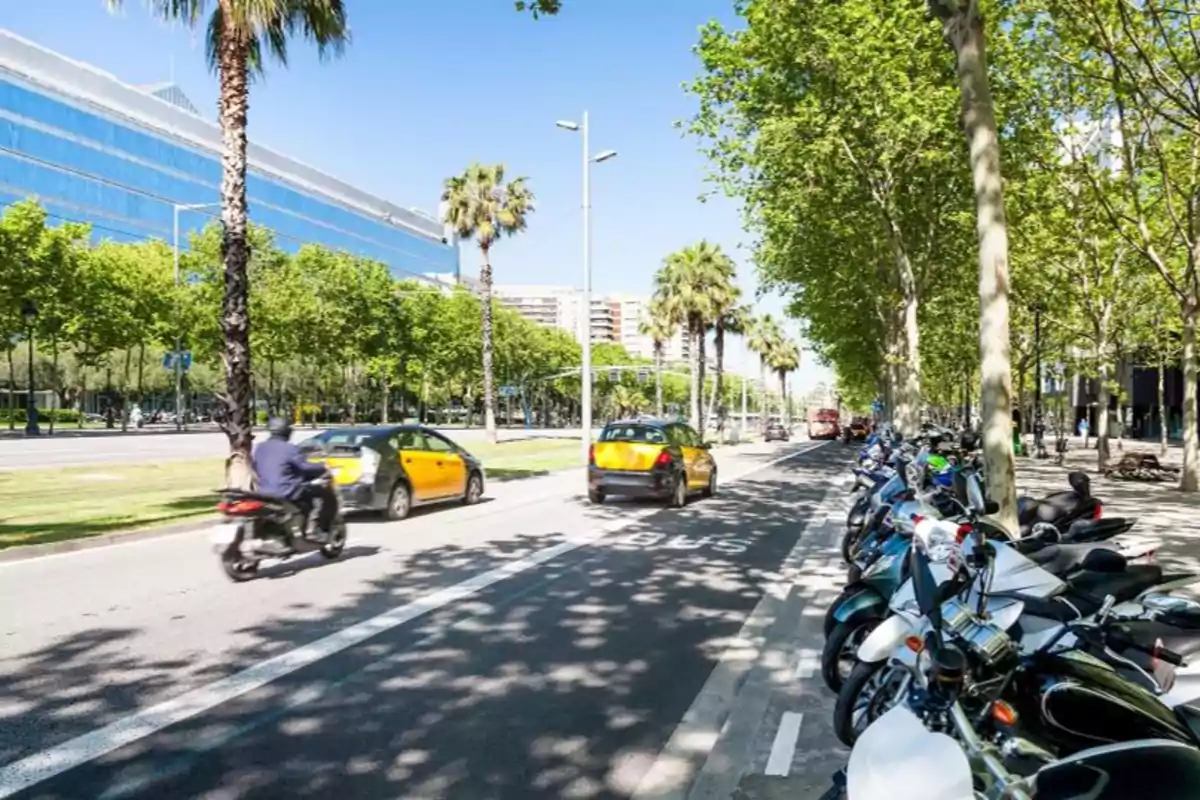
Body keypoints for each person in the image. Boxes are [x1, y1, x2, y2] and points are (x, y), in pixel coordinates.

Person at [252, 417, 336, 539]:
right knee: (321, 495)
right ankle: (312, 530)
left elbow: (257, 466)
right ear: (287, 431)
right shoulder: (290, 448)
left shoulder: (260, 447)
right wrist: (323, 466)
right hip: (286, 491)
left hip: (263, 492)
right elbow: (304, 466)